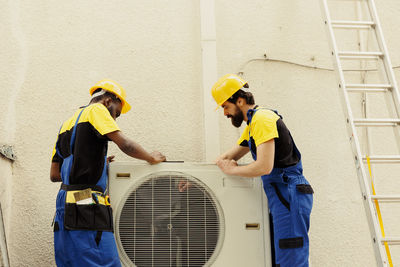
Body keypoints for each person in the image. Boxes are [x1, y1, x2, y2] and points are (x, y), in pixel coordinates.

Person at [50, 79, 166, 266]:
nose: (113, 120)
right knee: (104, 262)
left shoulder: (67, 123)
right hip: (85, 202)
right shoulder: (97, 111)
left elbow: (55, 175)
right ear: (107, 101)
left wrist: (91, 162)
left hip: (64, 205)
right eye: (116, 113)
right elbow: (126, 145)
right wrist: (151, 158)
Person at [211, 74, 313, 267]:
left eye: (225, 106)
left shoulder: (262, 119)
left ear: (239, 100)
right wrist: (195, 181)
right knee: (279, 259)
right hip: (281, 195)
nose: (225, 113)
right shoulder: (252, 125)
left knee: (291, 258)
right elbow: (225, 159)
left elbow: (264, 167)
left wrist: (232, 171)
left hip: (289, 194)